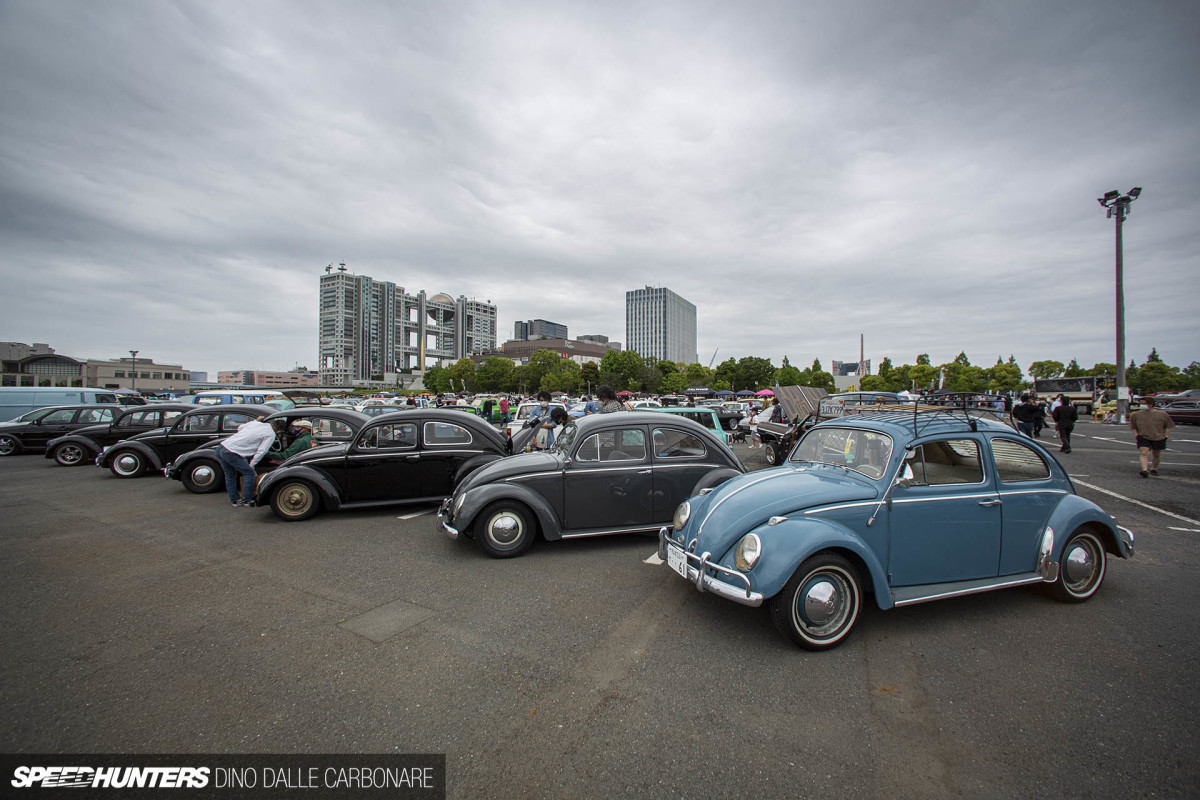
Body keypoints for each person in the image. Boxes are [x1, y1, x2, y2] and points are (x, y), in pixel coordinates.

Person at [215, 417, 280, 506]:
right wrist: (252, 464)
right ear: (278, 431)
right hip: (233, 452)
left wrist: (255, 422)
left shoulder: (256, 423)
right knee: (249, 473)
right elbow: (262, 451)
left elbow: (240, 428)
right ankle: (248, 499)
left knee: (230, 475)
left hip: (222, 447)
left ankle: (235, 500)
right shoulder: (270, 434)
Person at [1130, 397, 1175, 477]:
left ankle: (1154, 468)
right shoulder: (1136, 415)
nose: (1142, 405)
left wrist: (1166, 436)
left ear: (1151, 404)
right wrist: (1137, 435)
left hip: (1158, 437)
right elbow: (1133, 427)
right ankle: (1144, 470)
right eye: (1141, 403)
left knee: (1156, 454)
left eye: (1144, 403)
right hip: (1143, 436)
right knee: (1144, 452)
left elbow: (1167, 426)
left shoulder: (1162, 414)